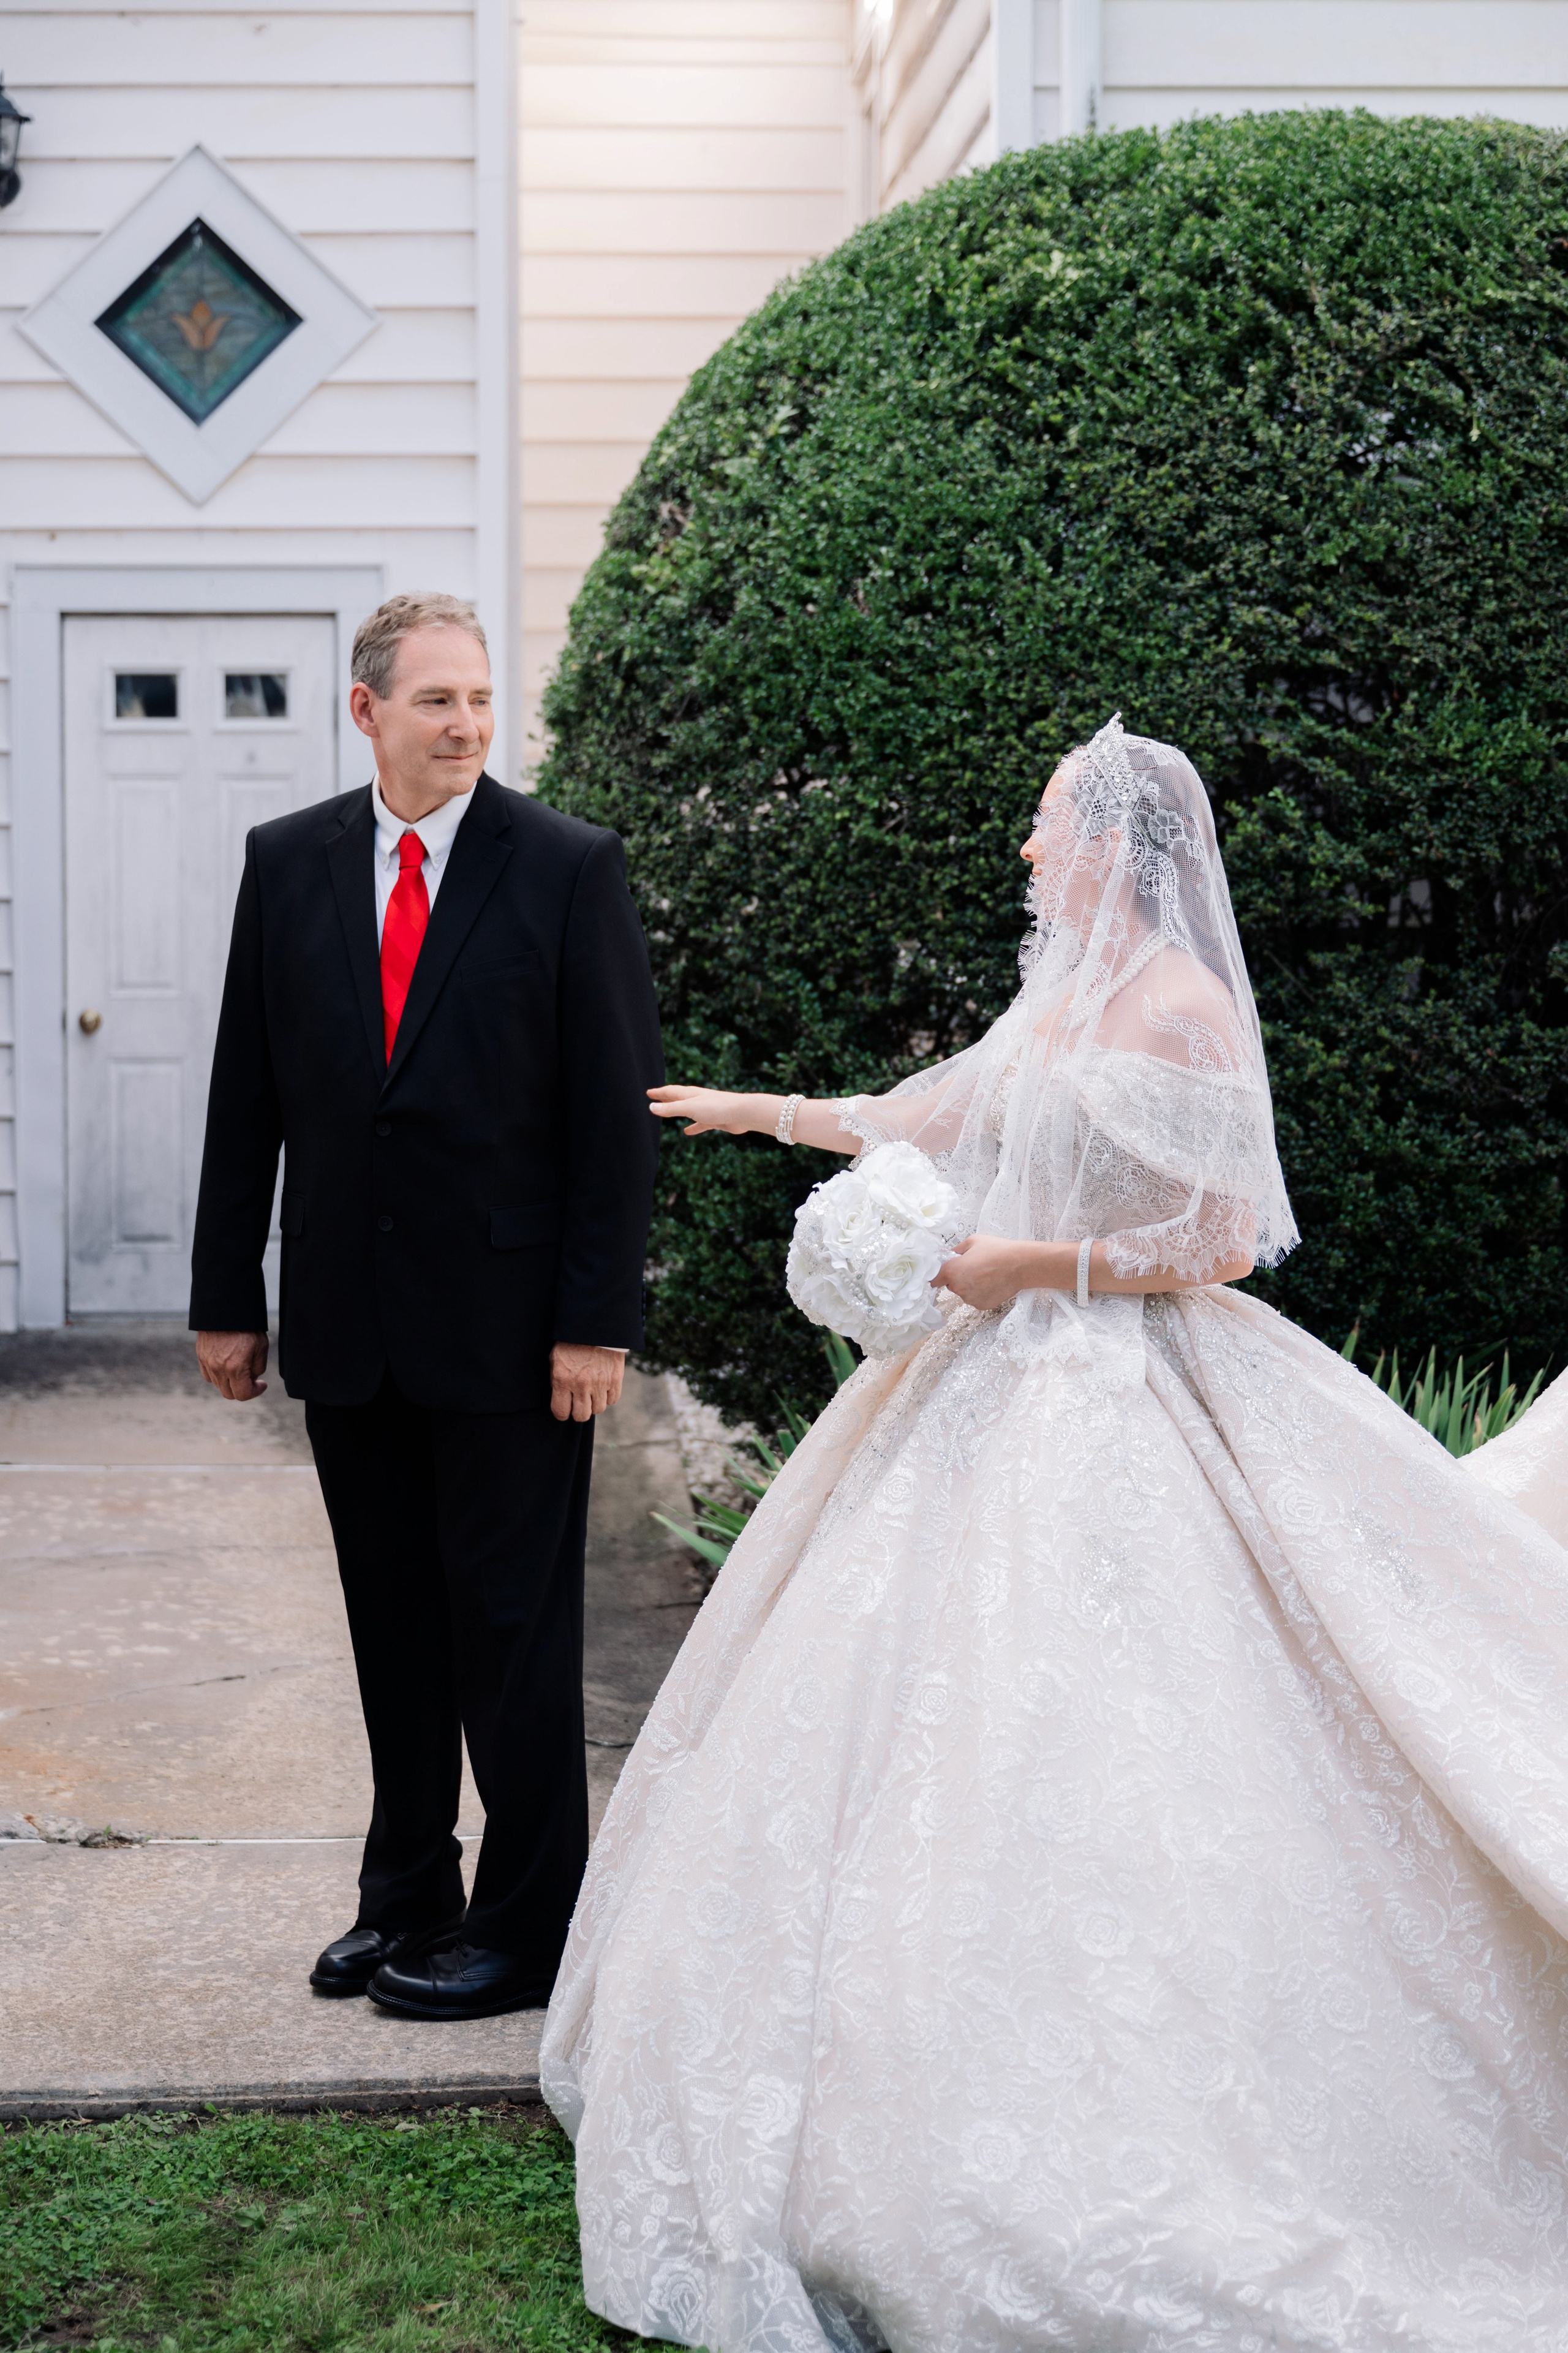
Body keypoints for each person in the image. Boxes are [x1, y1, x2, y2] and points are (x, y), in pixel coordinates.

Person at [542, 716, 1568, 2350]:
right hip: (978, 1388)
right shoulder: (1065, 991)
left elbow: (1223, 1240)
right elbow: (934, 1115)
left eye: (1044, 828)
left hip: (1127, 1391)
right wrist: (767, 1111)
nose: (1026, 853)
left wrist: (1029, 1271)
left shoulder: (1179, 1004)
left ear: (1114, 839)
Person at [189, 592, 662, 2021]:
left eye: (478, 700)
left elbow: (612, 1119)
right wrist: (227, 1294)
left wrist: (596, 1323)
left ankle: (524, 1930)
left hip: (518, 1338)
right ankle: (405, 1895)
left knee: (509, 1637)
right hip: (348, 1320)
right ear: (367, 709)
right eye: (435, 701)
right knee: (391, 1624)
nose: (465, 724)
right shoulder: (289, 865)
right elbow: (244, 1093)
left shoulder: (567, 867)